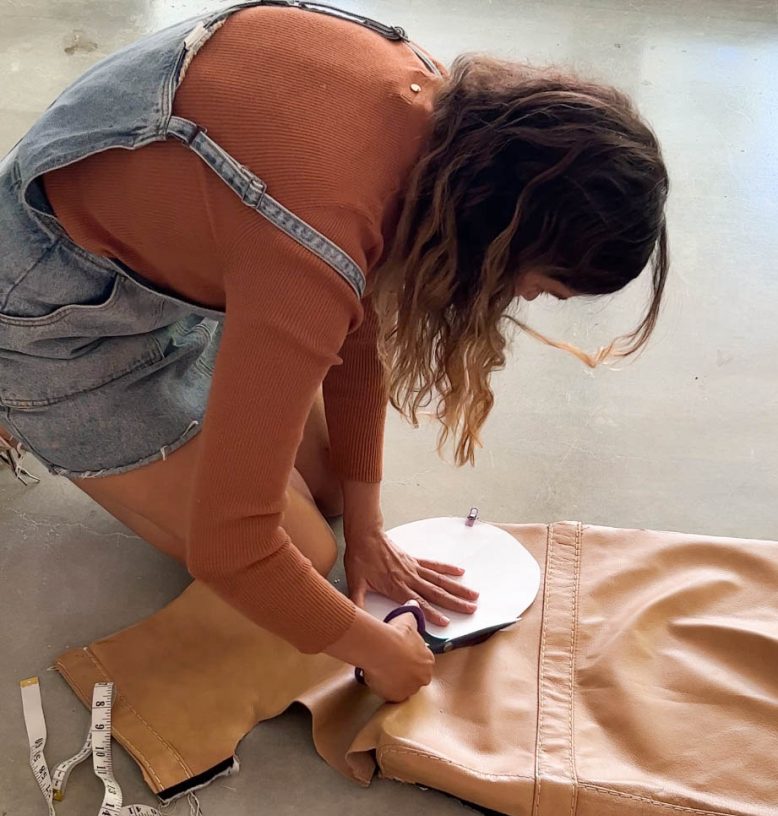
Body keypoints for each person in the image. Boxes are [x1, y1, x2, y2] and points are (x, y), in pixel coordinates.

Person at [0, 1, 668, 702]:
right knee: (306, 553)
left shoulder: (444, 123)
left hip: (161, 274)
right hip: (49, 321)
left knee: (328, 489)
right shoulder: (311, 246)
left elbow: (356, 323)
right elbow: (233, 550)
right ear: (502, 236)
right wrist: (377, 651)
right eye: (540, 286)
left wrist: (370, 527)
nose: (524, 301)